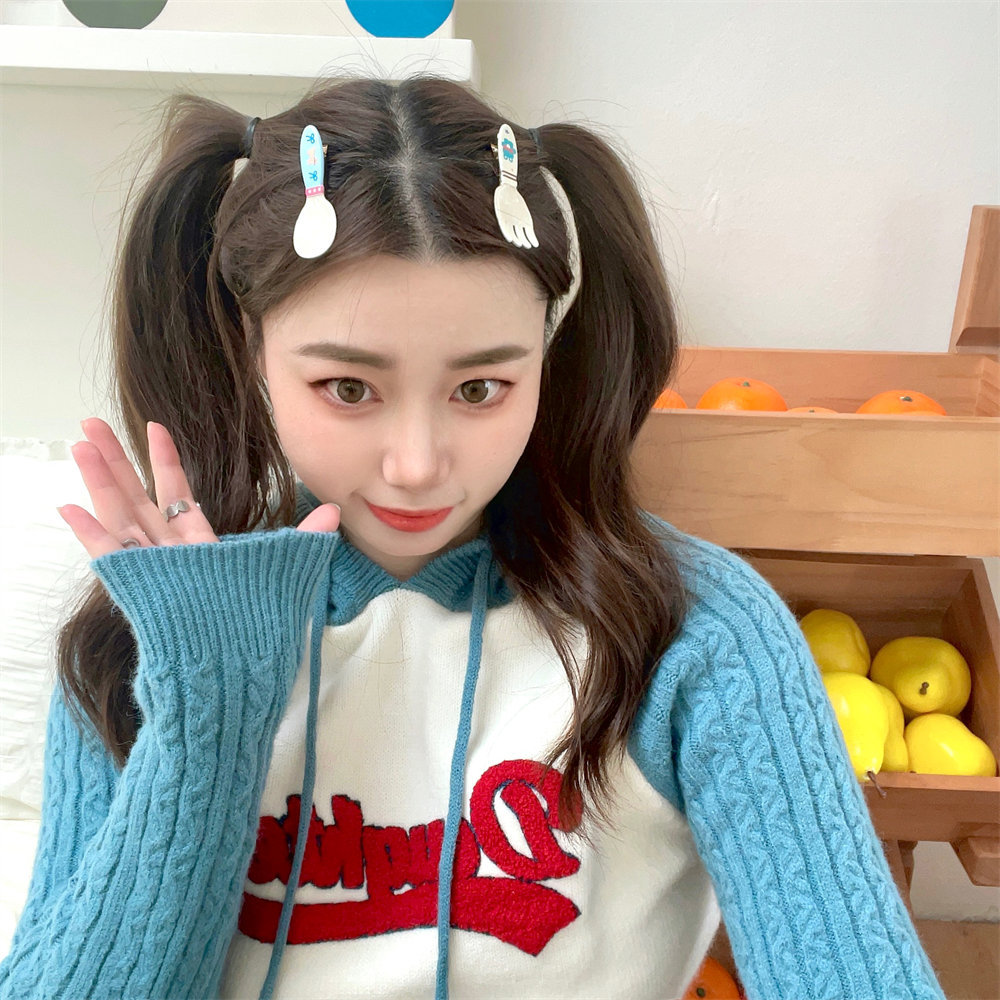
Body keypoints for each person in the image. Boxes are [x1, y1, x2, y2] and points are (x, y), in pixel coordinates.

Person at [0, 75, 946, 1000]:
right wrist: (207, 705)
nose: (417, 465)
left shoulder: (697, 635)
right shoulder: (146, 631)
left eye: (481, 388)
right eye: (348, 388)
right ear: (251, 352)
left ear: (547, 358)